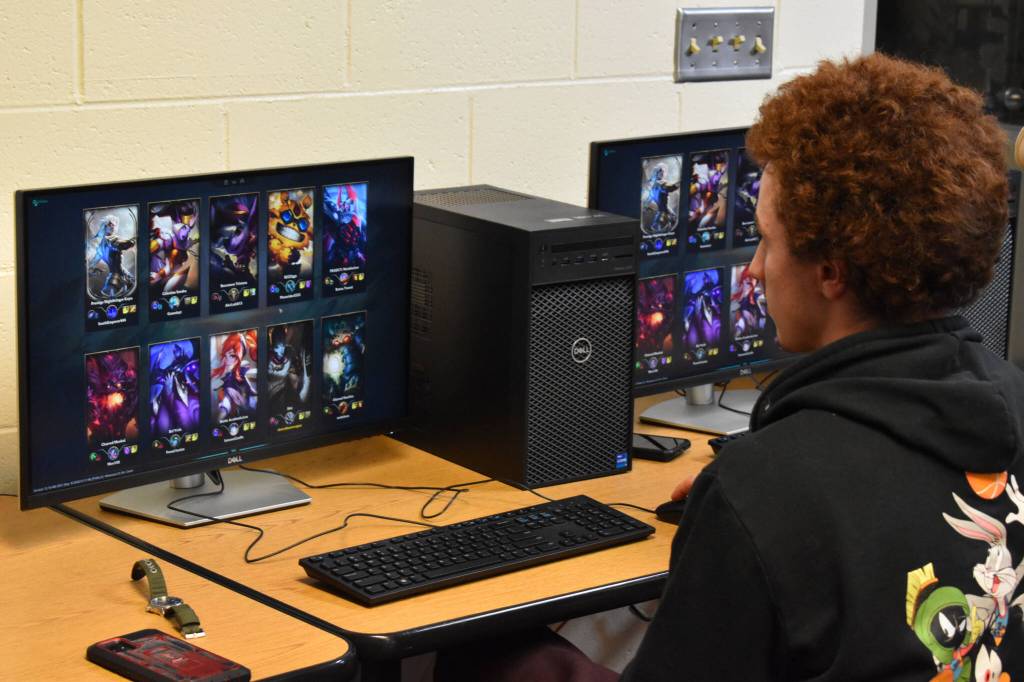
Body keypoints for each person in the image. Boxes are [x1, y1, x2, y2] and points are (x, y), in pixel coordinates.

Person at [434, 53, 1024, 681]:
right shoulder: (1010, 400)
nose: (753, 269)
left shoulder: (767, 489)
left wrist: (743, 509)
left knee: (490, 653)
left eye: (768, 239)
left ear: (830, 271)